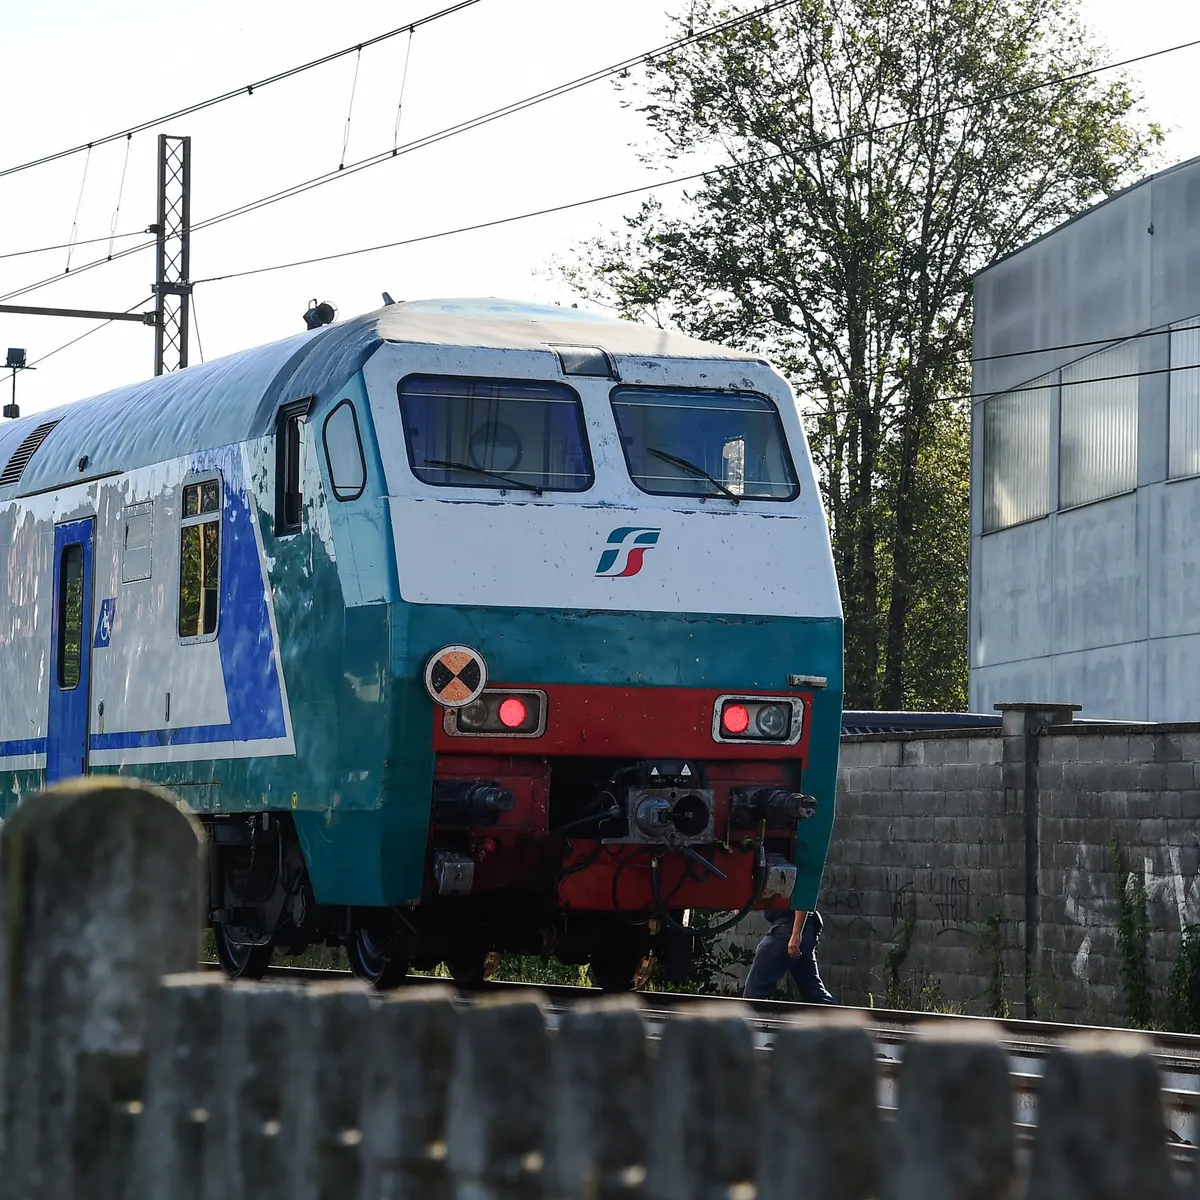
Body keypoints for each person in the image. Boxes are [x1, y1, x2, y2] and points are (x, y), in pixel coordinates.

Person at [743, 908, 836, 1003]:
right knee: (814, 992)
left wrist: (796, 934)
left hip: (788, 929)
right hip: (804, 928)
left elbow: (803, 897)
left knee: (754, 992)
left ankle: (748, 1015)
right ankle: (839, 1016)